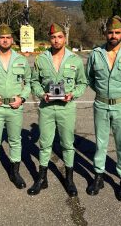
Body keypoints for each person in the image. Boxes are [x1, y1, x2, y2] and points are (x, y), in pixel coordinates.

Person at [85, 15, 121, 201]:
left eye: (117, 32)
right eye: (110, 32)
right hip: (101, 104)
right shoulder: (96, 54)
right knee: (101, 143)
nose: (113, 35)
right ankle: (98, 176)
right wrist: (103, 93)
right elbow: (90, 79)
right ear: (105, 33)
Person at [28, 23, 87, 197]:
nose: (56, 40)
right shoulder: (41, 59)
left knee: (67, 144)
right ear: (49, 38)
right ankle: (42, 178)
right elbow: (34, 82)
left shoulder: (75, 60)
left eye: (59, 36)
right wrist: (41, 94)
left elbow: (82, 83)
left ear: (65, 38)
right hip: (47, 107)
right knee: (45, 143)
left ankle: (69, 179)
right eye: (53, 37)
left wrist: (72, 94)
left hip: (66, 108)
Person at [0, 23, 31, 199]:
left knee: (15, 141)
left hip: (15, 107)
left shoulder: (21, 60)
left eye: (8, 37)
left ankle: (14, 173)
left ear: (12, 39)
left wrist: (22, 98)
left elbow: (29, 82)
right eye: (2, 38)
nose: (5, 40)